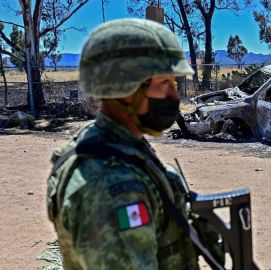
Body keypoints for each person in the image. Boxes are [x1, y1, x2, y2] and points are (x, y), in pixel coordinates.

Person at [46, 18, 222, 269]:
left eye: (174, 84)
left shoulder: (106, 145)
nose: (175, 96)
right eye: (164, 84)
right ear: (127, 90)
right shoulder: (111, 187)